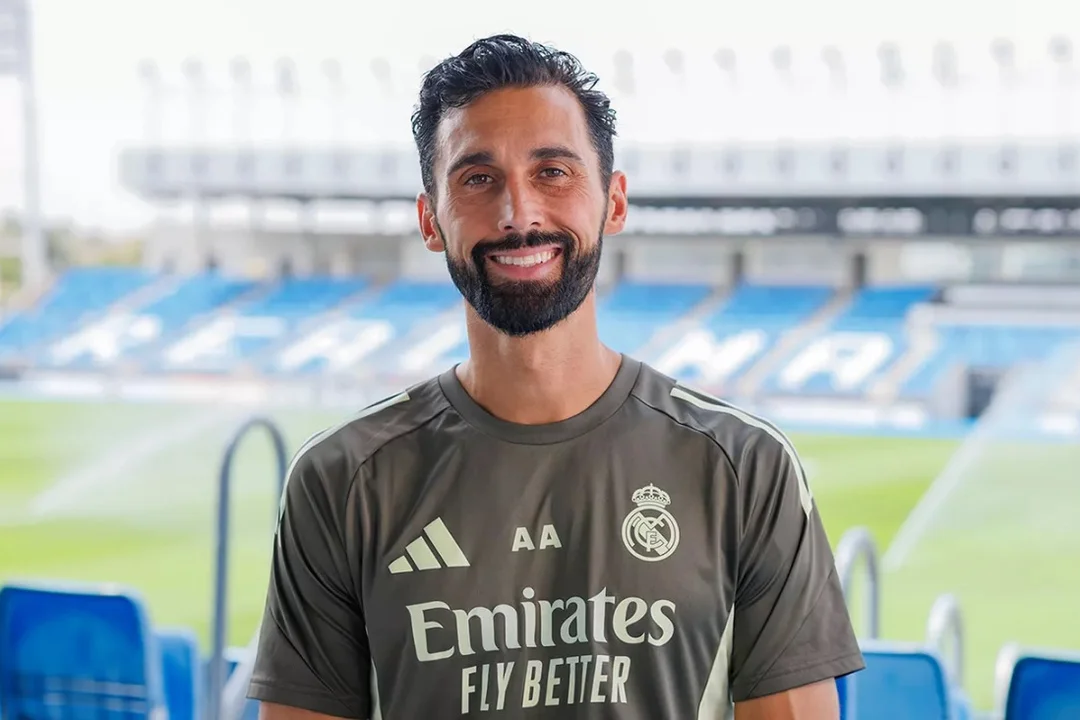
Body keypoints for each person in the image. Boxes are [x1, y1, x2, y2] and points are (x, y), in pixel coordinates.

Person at [247, 34, 864, 720]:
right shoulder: (341, 479)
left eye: (553, 172)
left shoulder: (745, 467)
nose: (518, 214)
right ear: (430, 220)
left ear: (614, 202)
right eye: (477, 179)